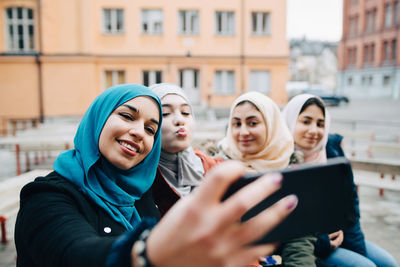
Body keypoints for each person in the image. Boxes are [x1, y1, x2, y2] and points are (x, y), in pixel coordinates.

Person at [14, 84, 299, 267]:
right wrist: (145, 253)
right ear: (98, 118)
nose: (140, 132)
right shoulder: (47, 196)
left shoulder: (140, 194)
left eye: (151, 129)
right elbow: (75, 252)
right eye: (127, 116)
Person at [282, 93, 398, 267]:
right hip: (309, 245)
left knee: (388, 263)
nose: (314, 130)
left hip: (339, 235)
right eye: (306, 122)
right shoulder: (280, 160)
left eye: (320, 124)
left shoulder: (331, 153)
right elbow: (288, 224)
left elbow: (349, 205)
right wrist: (322, 242)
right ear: (291, 121)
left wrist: (355, 246)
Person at [218, 91, 316, 267]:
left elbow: (299, 239)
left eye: (252, 123)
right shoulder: (216, 169)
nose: (243, 132)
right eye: (236, 124)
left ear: (271, 124)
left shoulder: (290, 170)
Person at [148, 83, 223, 216]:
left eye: (185, 113)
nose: (179, 120)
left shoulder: (214, 168)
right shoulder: (139, 176)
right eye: (165, 113)